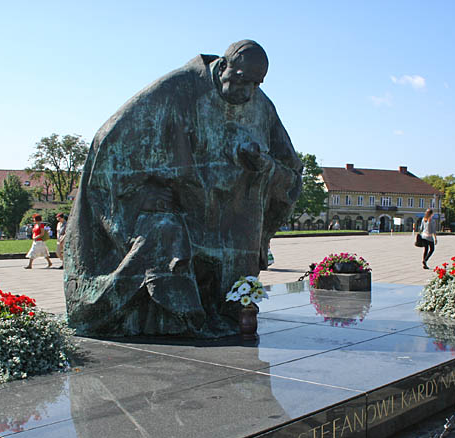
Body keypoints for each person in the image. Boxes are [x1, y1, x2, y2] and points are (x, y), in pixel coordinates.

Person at [64, 40, 302, 337]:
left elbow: (290, 166)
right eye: (242, 81)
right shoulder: (176, 89)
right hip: (172, 207)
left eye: (256, 84)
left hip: (221, 212)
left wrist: (263, 165)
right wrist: (139, 194)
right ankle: (181, 316)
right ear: (225, 65)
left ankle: (231, 307)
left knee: (245, 227)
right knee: (166, 231)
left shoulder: (261, 105)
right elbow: (107, 144)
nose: (248, 92)